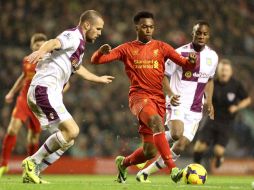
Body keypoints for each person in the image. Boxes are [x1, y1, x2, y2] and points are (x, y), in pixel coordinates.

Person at [91, 11, 196, 183]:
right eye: (145, 26)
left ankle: (123, 164)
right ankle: (173, 169)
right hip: (139, 98)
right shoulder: (126, 48)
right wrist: (100, 52)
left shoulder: (162, 47)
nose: (148, 30)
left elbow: (185, 64)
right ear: (137, 27)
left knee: (150, 151)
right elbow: (96, 61)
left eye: (151, 27)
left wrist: (191, 60)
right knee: (156, 122)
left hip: (158, 100)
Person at [21, 10, 114, 184]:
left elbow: (78, 68)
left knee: (68, 140)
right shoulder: (72, 36)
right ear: (87, 25)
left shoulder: (80, 46)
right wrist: (41, 51)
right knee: (72, 131)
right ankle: (32, 162)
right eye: (98, 28)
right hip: (44, 88)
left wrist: (98, 79)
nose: (100, 33)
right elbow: (53, 42)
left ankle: (34, 171)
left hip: (49, 92)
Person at [136, 20, 219, 182]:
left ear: (208, 36)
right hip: (177, 101)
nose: (201, 36)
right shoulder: (179, 53)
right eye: (198, 33)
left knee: (180, 146)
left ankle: (145, 172)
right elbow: (163, 76)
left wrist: (209, 101)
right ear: (192, 34)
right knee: (175, 134)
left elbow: (210, 80)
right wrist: (170, 93)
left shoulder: (212, 56)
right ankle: (149, 147)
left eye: (204, 34)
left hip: (195, 108)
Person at [0, 33, 47, 178]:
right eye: (37, 45)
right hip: (23, 100)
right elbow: (23, 76)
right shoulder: (27, 60)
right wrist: (11, 92)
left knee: (33, 138)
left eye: (42, 45)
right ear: (32, 46)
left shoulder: (50, 61)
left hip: (39, 103)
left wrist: (56, 93)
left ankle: (30, 168)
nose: (39, 47)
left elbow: (67, 83)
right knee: (12, 129)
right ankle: (3, 165)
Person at [193, 59, 251, 168]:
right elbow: (202, 96)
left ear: (231, 72)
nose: (224, 72)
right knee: (198, 147)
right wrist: (205, 102)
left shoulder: (236, 85)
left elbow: (247, 100)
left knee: (218, 151)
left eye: (226, 70)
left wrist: (237, 107)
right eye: (222, 70)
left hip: (226, 122)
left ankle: (220, 157)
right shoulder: (211, 83)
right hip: (211, 118)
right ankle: (196, 168)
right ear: (218, 71)